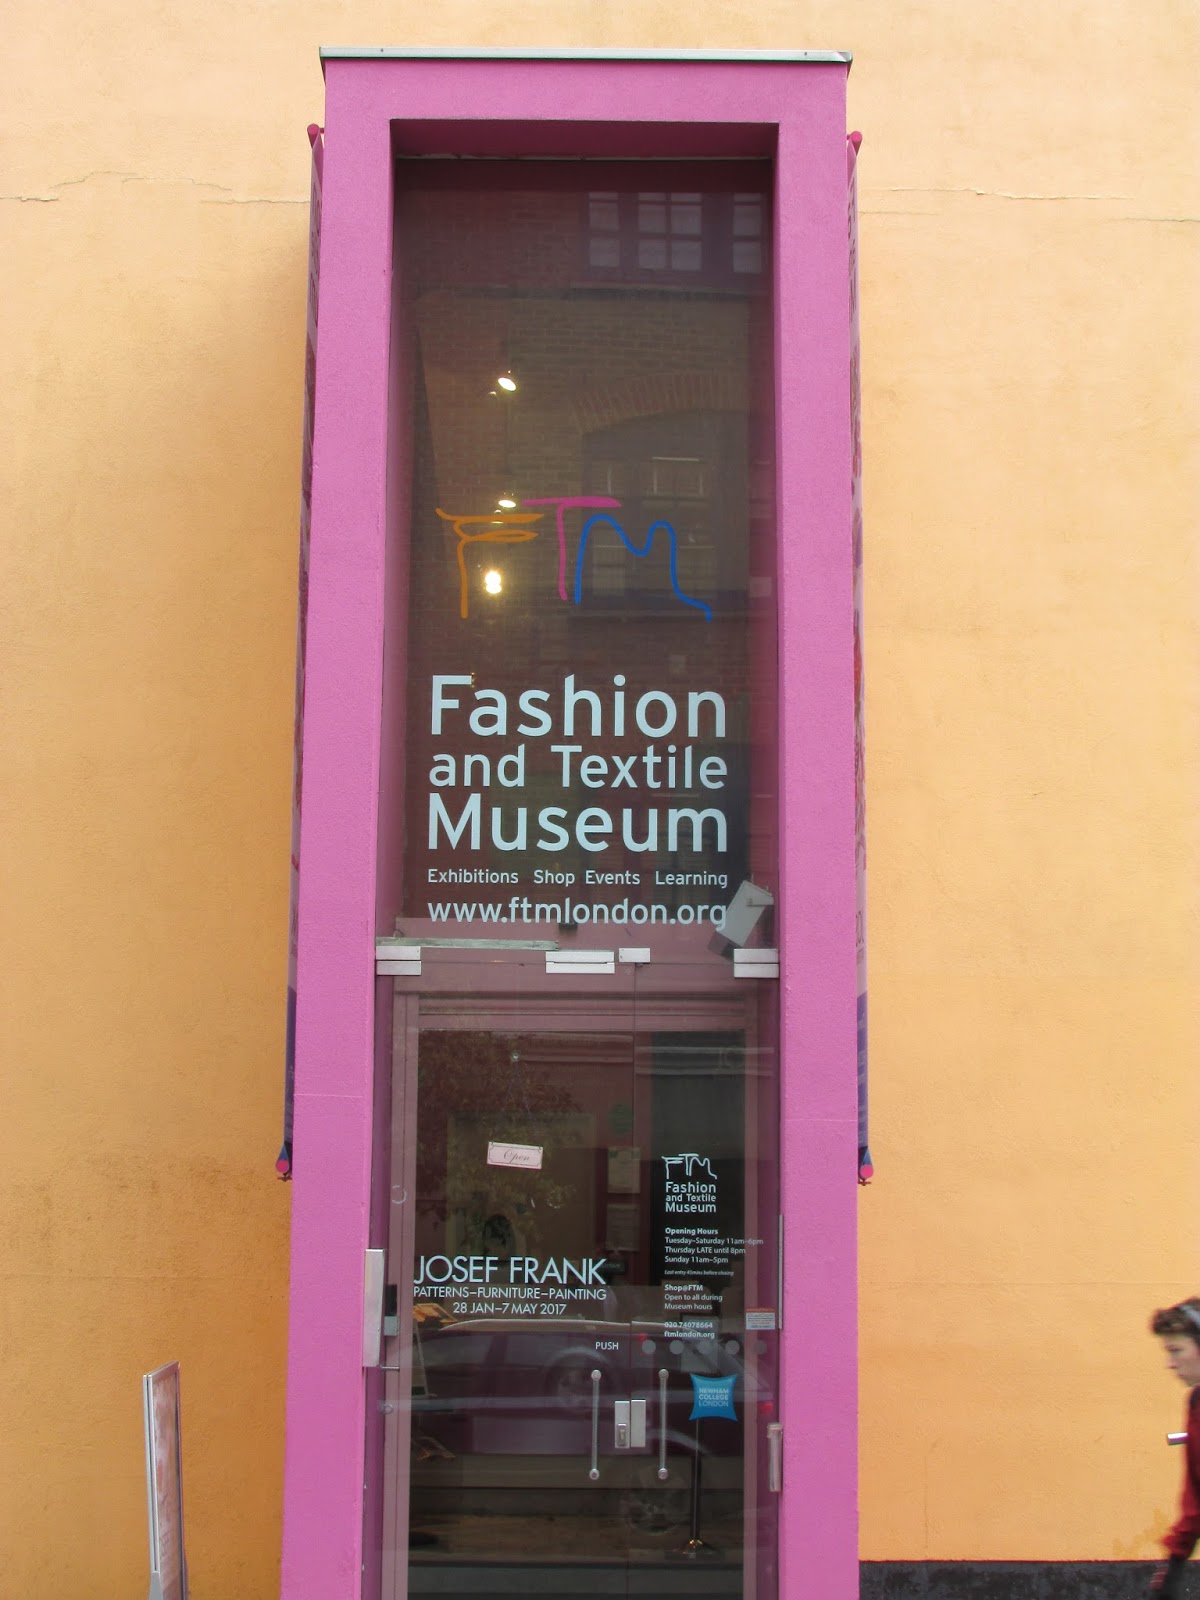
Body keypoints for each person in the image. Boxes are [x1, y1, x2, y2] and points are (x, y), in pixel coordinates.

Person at [1149, 1299, 1200, 1597]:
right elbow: (1196, 1492)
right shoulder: (1196, 1403)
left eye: (1176, 1351)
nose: (1170, 1363)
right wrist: (1174, 1561)